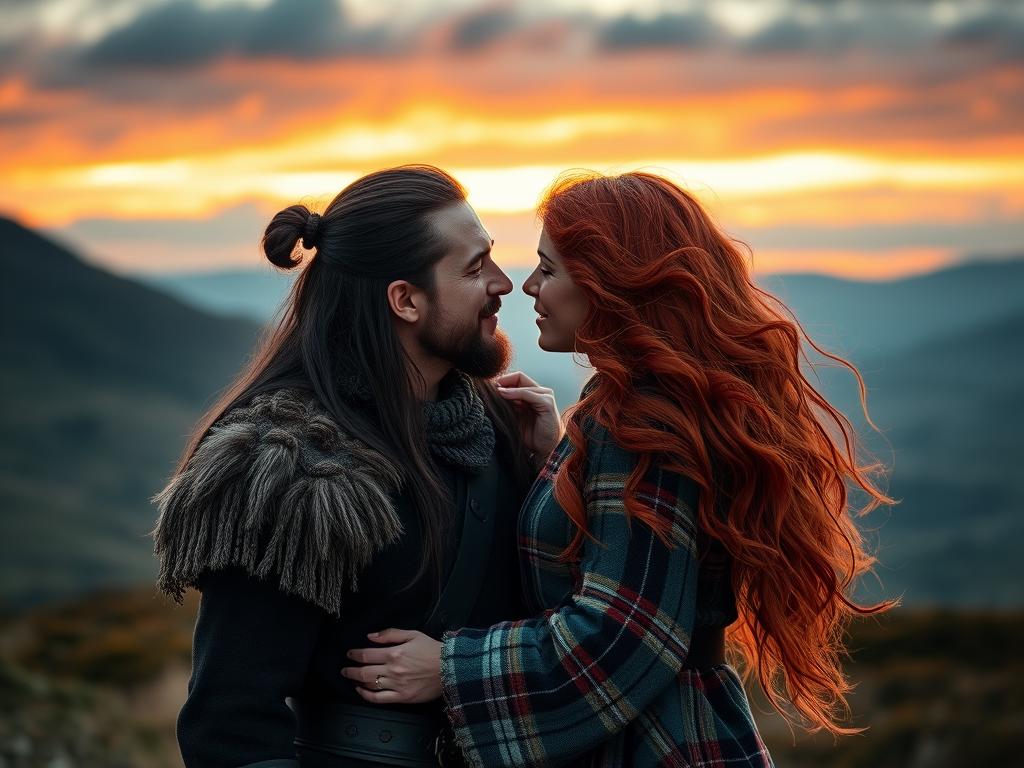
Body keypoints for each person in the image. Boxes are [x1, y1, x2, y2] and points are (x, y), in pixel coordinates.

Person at [342, 171, 895, 767]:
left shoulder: (642, 422)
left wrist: (450, 669)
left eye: (549, 269)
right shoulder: (643, 410)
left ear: (610, 285)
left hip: (657, 744)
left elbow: (627, 635)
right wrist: (564, 463)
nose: (526, 286)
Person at [152, 165, 563, 767]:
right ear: (406, 300)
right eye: (474, 268)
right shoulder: (289, 473)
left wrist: (557, 472)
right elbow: (231, 726)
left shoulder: (507, 427)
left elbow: (577, 618)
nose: (504, 284)